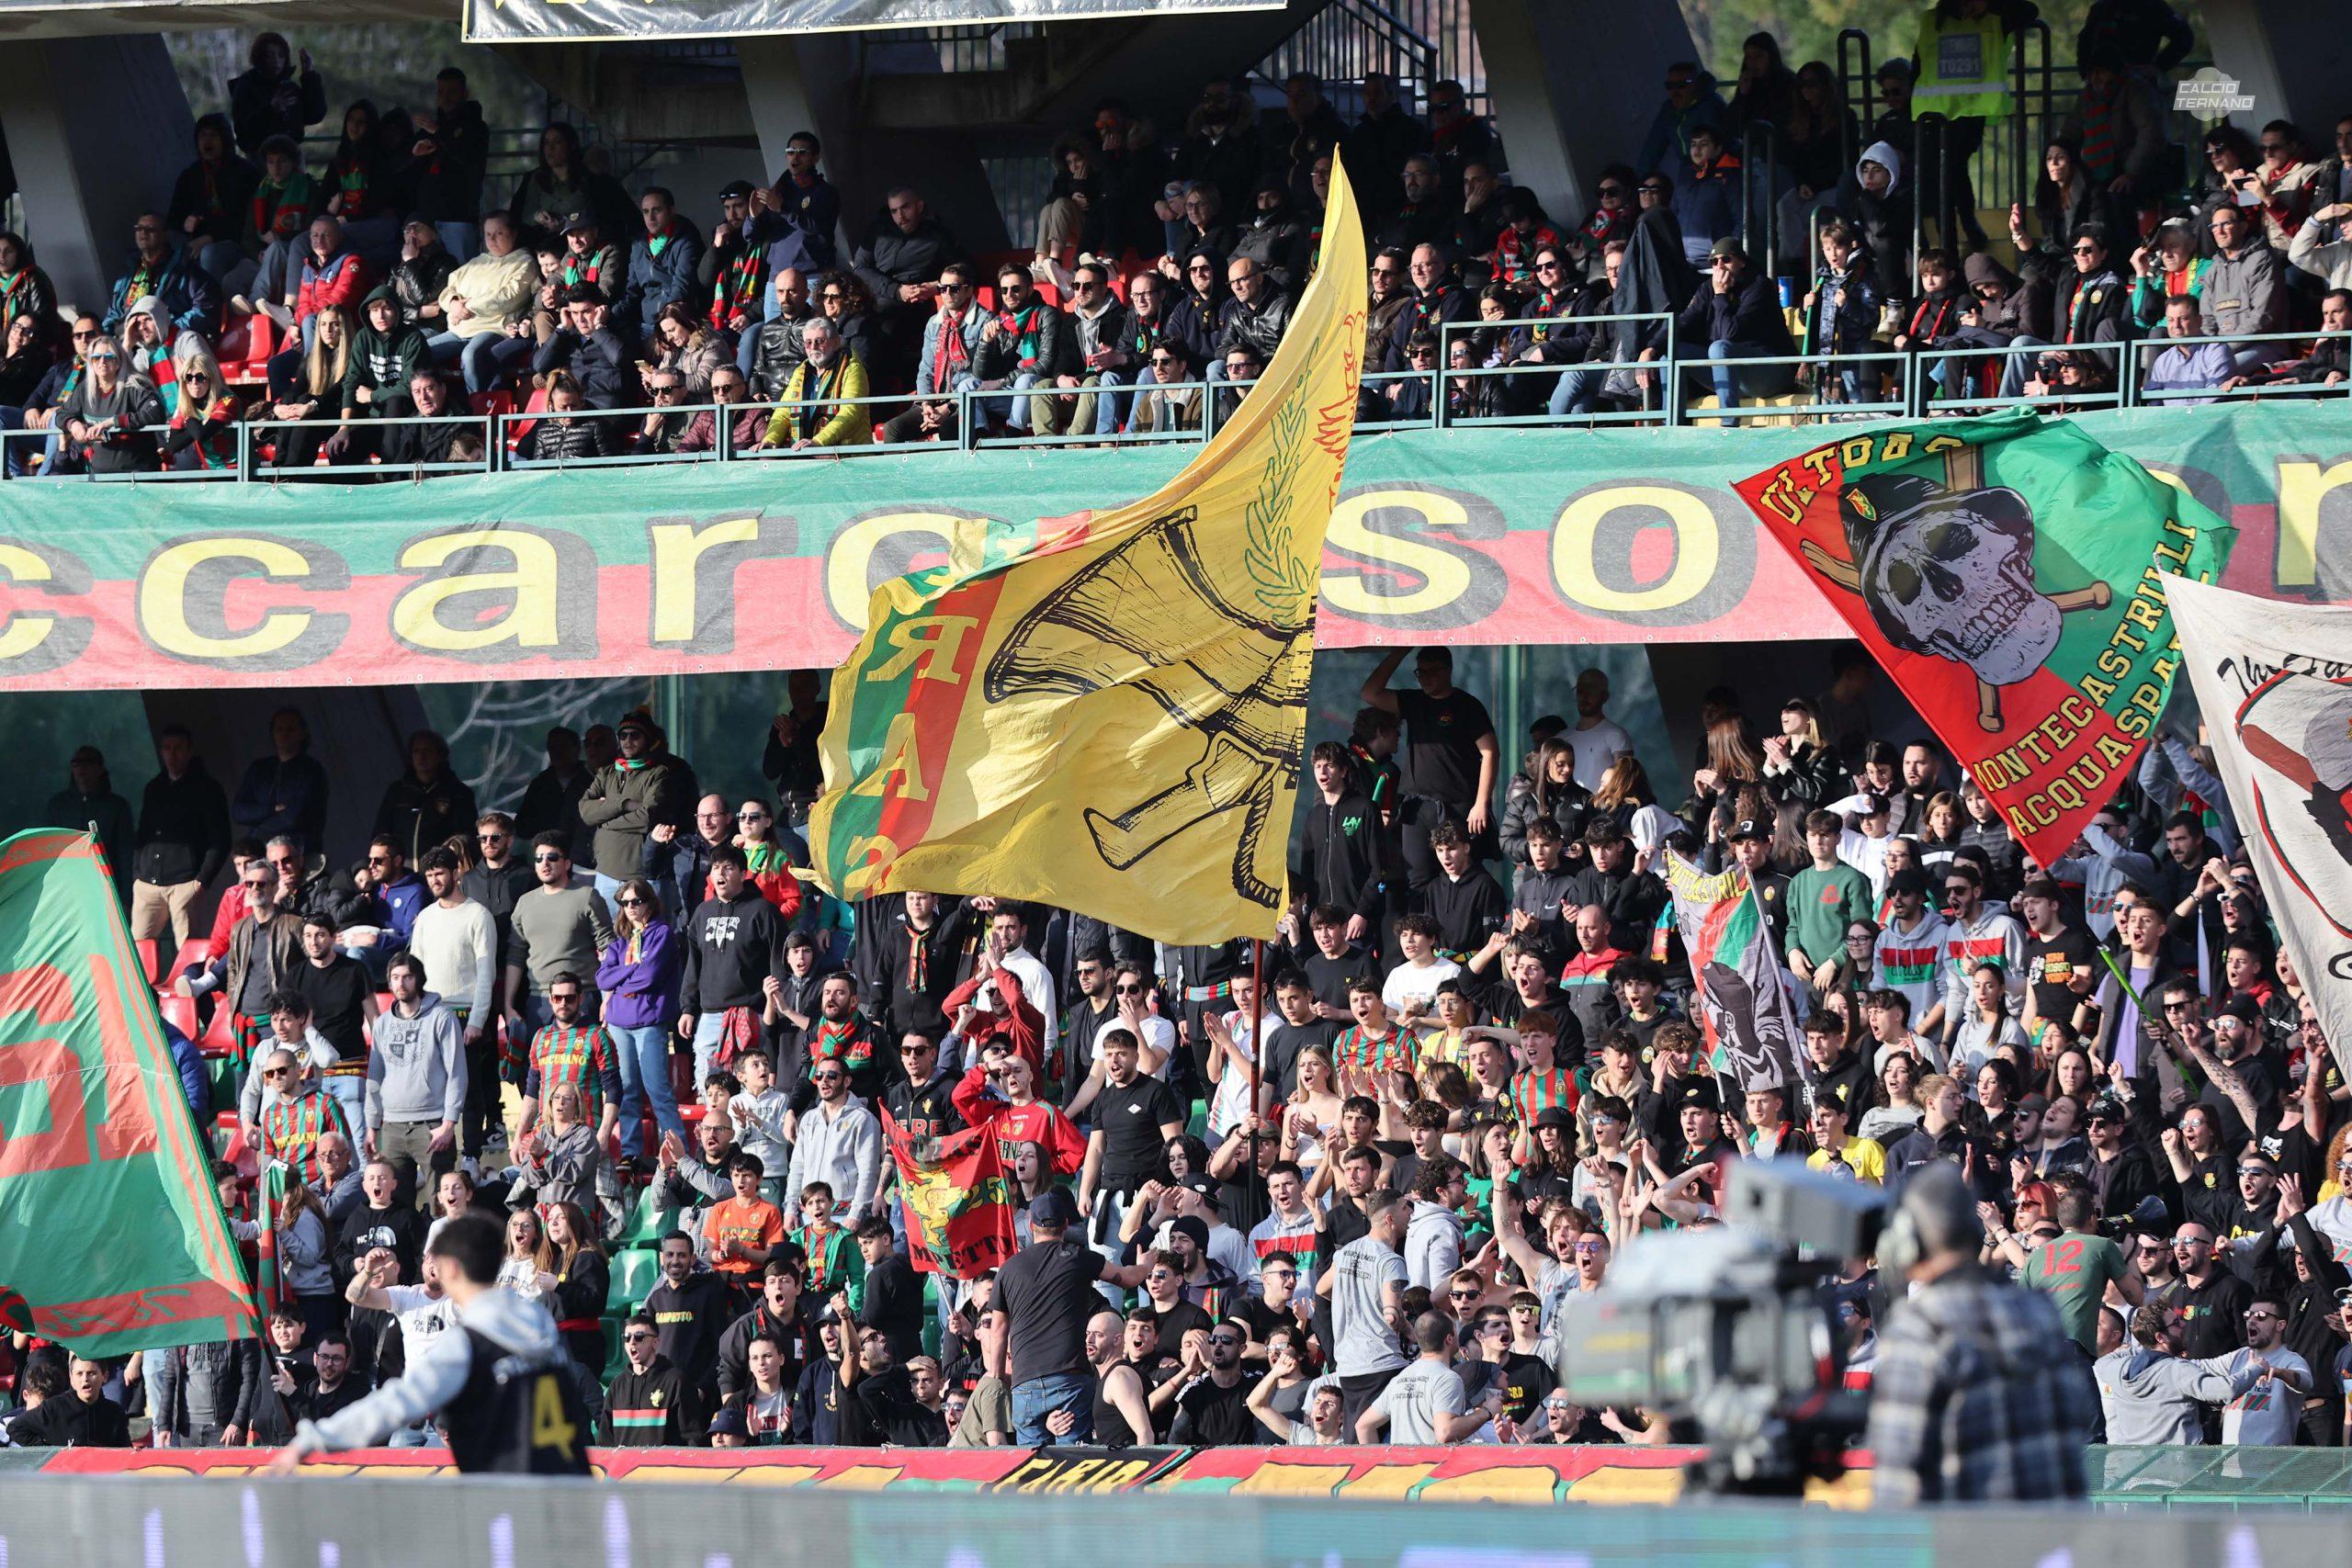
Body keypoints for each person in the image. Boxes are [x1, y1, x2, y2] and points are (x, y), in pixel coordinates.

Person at [270, 1213, 590, 1472]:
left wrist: (313, 1439)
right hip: (571, 1481)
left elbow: (397, 1402)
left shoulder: (469, 1342)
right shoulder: (536, 1320)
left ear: (450, 1267)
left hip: (517, 1492)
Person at [1866, 1164, 2098, 1504]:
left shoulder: (1919, 1325)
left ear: (1909, 1240)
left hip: (1970, 1543)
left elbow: (1900, 1482)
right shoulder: (2039, 1312)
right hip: (2052, 1542)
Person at [2096, 1302, 2271, 1444]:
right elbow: (2226, 1390)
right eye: (2176, 1323)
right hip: (2178, 1478)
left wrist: (2135, 1350)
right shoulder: (2176, 1370)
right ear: (2160, 1337)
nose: (2183, 1324)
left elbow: (2102, 1362)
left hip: (2135, 1479)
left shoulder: (2118, 1369)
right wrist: (2255, 1368)